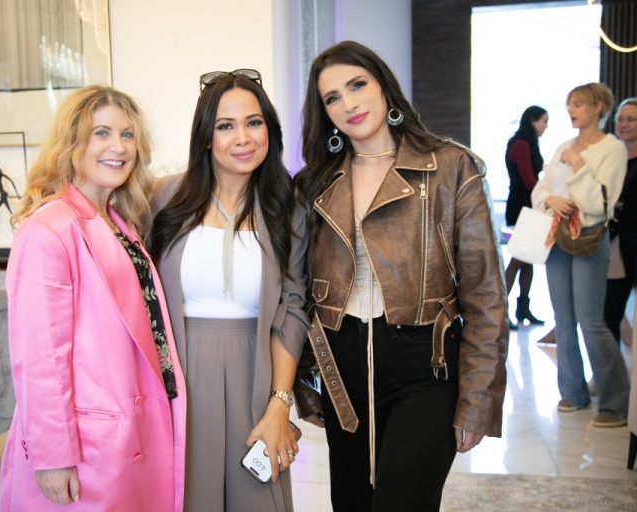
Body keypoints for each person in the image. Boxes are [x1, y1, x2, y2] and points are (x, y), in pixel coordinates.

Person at [293, 41, 508, 511]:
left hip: (425, 364)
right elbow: (297, 292)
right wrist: (305, 382)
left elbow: (486, 293)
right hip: (341, 368)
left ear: (384, 86)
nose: (348, 104)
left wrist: (479, 398)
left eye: (357, 85)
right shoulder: (314, 182)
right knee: (351, 503)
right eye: (332, 98)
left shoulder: (450, 167)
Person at [0, 85, 186, 511]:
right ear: (72, 142)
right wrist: (52, 456)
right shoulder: (49, 229)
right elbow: (41, 358)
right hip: (86, 446)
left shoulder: (119, 223)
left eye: (127, 134)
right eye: (101, 133)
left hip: (129, 429)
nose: (118, 146)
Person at [148, 69, 309, 512]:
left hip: (255, 375)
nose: (243, 138)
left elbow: (293, 309)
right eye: (225, 126)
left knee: (258, 496)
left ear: (269, 130)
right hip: (180, 377)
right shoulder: (163, 199)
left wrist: (279, 405)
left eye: (254, 122)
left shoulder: (285, 207)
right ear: (206, 136)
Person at [531, 82, 630, 427]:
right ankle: (573, 392)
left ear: (598, 107)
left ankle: (615, 403)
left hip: (589, 238)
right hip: (557, 237)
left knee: (591, 322)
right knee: (563, 320)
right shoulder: (563, 145)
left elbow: (599, 204)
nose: (571, 110)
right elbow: (541, 188)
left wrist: (578, 166)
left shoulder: (612, 149)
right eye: (570, 104)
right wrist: (550, 199)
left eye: (579, 104)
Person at [504, 105, 549, 328]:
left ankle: (523, 309)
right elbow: (529, 181)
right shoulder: (521, 144)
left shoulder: (529, 143)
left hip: (529, 206)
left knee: (528, 259)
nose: (546, 126)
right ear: (532, 120)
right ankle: (500, 311)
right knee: (518, 259)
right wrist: (548, 193)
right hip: (521, 207)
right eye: (544, 121)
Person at [604, 98, 637, 346]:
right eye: (621, 119)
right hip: (615, 244)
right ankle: (612, 368)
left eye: (631, 119)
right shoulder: (610, 158)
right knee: (609, 314)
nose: (624, 124)